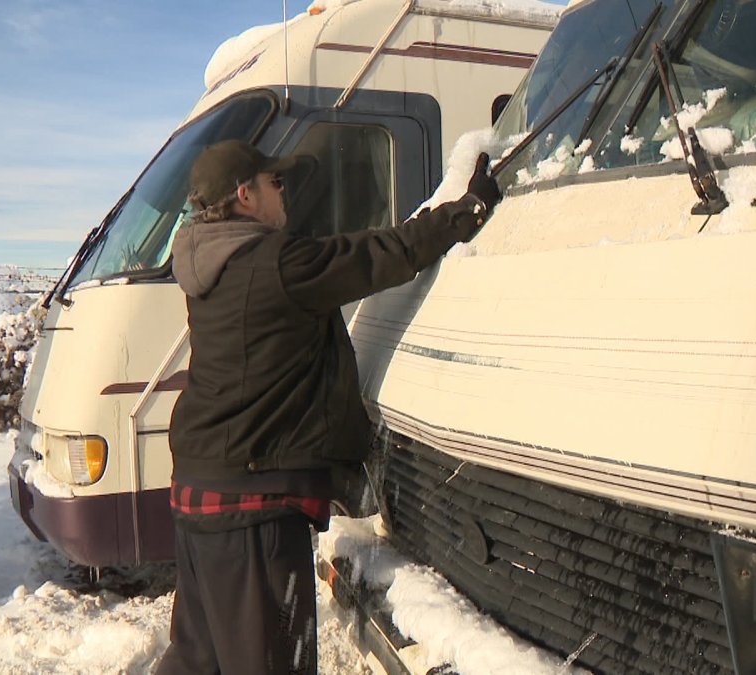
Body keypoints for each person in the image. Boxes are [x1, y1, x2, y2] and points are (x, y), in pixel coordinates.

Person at [154, 139, 501, 674]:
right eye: (276, 182)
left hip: (199, 494)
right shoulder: (275, 262)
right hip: (254, 508)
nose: (283, 191)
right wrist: (465, 210)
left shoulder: (207, 264)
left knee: (200, 660)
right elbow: (379, 255)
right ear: (245, 194)